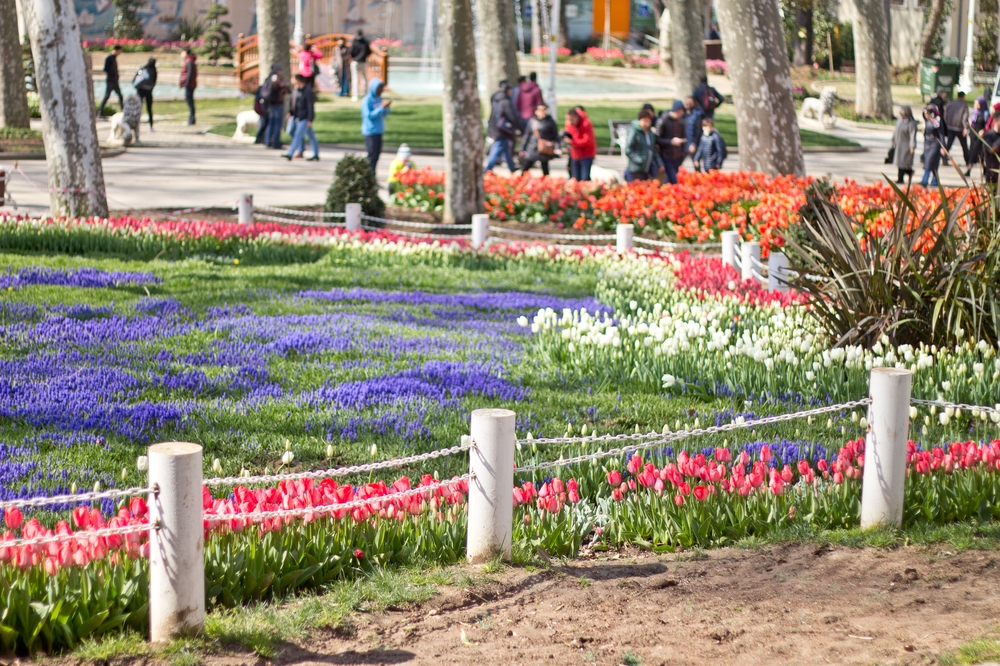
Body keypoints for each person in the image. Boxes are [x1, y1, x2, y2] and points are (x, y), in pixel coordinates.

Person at [485, 81, 520, 172]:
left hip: (495, 127)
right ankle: (488, 168)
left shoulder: (495, 99)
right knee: (499, 147)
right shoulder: (505, 102)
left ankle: (511, 166)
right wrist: (518, 126)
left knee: (505, 149)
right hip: (502, 129)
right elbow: (511, 116)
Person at [284, 74, 319, 161]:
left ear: (298, 80)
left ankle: (290, 153)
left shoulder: (307, 91)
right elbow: (293, 102)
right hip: (295, 116)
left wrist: (310, 119)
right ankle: (314, 153)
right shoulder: (295, 90)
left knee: (298, 135)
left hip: (304, 117)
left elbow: (310, 106)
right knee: (293, 132)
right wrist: (290, 112)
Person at [519, 103, 559, 176]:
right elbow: (527, 135)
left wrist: (556, 147)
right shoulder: (532, 121)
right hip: (532, 147)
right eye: (541, 110)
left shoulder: (550, 121)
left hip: (544, 148)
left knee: (545, 168)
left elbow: (555, 135)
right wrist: (522, 148)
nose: (543, 112)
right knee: (526, 167)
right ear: (536, 111)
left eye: (545, 110)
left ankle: (546, 184)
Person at [624, 108, 663, 182]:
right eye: (645, 121)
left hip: (646, 169)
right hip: (636, 168)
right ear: (640, 120)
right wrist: (639, 160)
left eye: (648, 121)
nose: (647, 123)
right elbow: (628, 149)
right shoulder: (634, 131)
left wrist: (660, 164)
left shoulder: (650, 133)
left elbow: (653, 149)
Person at [655, 100, 688, 184]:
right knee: (672, 179)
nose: (680, 114)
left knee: (670, 179)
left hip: (678, 155)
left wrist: (683, 153)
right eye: (679, 112)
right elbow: (657, 139)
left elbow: (684, 138)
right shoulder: (663, 121)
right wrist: (671, 142)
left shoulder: (681, 122)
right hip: (666, 154)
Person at [361, 77, 391, 173]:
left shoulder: (379, 99)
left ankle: (372, 177)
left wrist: (386, 108)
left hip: (379, 131)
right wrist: (381, 108)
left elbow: (384, 114)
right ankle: (369, 177)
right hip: (370, 132)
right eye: (379, 88)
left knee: (376, 157)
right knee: (371, 157)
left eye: (382, 88)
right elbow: (369, 116)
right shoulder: (367, 100)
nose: (381, 90)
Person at [562, 107, 596, 181]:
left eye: (571, 120)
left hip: (586, 153)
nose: (569, 122)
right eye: (568, 119)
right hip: (575, 154)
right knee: (575, 178)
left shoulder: (586, 123)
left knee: (584, 178)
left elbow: (587, 140)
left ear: (576, 117)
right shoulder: (569, 123)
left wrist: (572, 142)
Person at [261, 64, 288, 149]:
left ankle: (268, 141)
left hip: (270, 104)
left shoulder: (268, 78)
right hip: (277, 104)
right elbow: (283, 87)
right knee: (277, 124)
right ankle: (275, 142)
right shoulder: (276, 78)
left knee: (271, 123)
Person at [921, 105, 947, 187]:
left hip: (935, 144)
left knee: (929, 161)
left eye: (928, 113)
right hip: (927, 143)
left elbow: (941, 135)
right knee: (932, 163)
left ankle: (924, 180)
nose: (926, 115)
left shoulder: (937, 122)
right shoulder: (927, 121)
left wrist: (943, 147)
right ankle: (935, 180)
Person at [891, 105, 917, 184]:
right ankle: (901, 177)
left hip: (906, 146)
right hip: (899, 144)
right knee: (899, 163)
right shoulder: (899, 120)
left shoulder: (911, 123)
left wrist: (912, 146)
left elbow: (912, 135)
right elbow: (896, 130)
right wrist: (893, 139)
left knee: (903, 163)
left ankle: (904, 176)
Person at [944, 91, 970, 166]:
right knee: (964, 145)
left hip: (950, 127)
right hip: (959, 128)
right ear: (963, 97)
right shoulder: (964, 105)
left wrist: (947, 123)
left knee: (948, 144)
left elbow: (945, 114)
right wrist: (965, 128)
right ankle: (967, 160)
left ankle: (944, 158)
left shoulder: (950, 103)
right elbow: (965, 118)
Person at [98, 45, 124, 119]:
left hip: (115, 81)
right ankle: (100, 113)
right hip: (110, 81)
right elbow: (106, 69)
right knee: (107, 96)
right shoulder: (109, 58)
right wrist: (112, 75)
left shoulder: (114, 58)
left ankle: (124, 111)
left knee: (120, 95)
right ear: (117, 50)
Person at [132, 58, 157, 132]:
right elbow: (154, 82)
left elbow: (136, 80)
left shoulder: (143, 69)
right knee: (148, 109)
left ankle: (136, 125)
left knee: (138, 108)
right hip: (148, 91)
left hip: (140, 91)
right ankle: (150, 126)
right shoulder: (153, 70)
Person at [967, 96, 989, 177]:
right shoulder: (974, 112)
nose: (976, 106)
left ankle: (983, 169)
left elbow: (988, 125)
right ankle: (969, 169)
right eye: (975, 103)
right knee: (972, 152)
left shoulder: (986, 114)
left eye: (978, 104)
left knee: (979, 154)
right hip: (973, 136)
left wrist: (984, 130)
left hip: (981, 137)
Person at [350, 29, 371, 101]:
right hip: (363, 62)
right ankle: (366, 94)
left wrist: (354, 58)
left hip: (355, 62)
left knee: (355, 79)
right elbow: (369, 52)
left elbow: (351, 51)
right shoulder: (365, 42)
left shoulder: (354, 41)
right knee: (364, 79)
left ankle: (355, 95)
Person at [683, 96, 704, 167]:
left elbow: (699, 131)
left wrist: (694, 143)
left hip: (692, 143)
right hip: (683, 143)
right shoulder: (682, 115)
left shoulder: (697, 115)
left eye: (690, 102)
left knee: (696, 163)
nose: (688, 104)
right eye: (686, 102)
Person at [179, 48, 198, 125]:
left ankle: (192, 119)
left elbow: (189, 74)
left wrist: (186, 84)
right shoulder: (189, 60)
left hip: (190, 85)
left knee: (190, 102)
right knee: (190, 101)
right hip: (190, 84)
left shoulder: (189, 61)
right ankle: (191, 118)